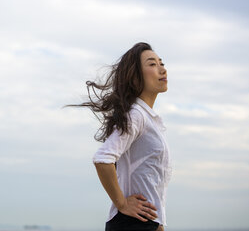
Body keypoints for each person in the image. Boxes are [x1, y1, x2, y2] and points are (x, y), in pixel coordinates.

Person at [65, 42, 172, 231]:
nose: (162, 69)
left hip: (145, 223)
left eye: (161, 63)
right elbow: (102, 159)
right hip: (132, 224)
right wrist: (122, 204)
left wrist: (159, 225)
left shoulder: (148, 119)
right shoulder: (137, 115)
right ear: (135, 77)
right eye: (152, 64)